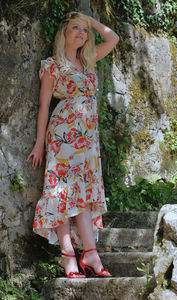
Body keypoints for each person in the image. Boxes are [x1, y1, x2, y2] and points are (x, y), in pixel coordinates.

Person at [26, 11, 119, 278]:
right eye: (75, 27)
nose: (81, 32)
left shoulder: (89, 60)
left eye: (84, 30)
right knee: (62, 193)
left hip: (88, 140)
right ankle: (74, 255)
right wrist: (39, 144)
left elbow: (113, 38)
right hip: (64, 136)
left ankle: (84, 254)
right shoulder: (52, 65)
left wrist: (91, 21)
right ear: (64, 32)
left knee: (81, 195)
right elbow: (44, 105)